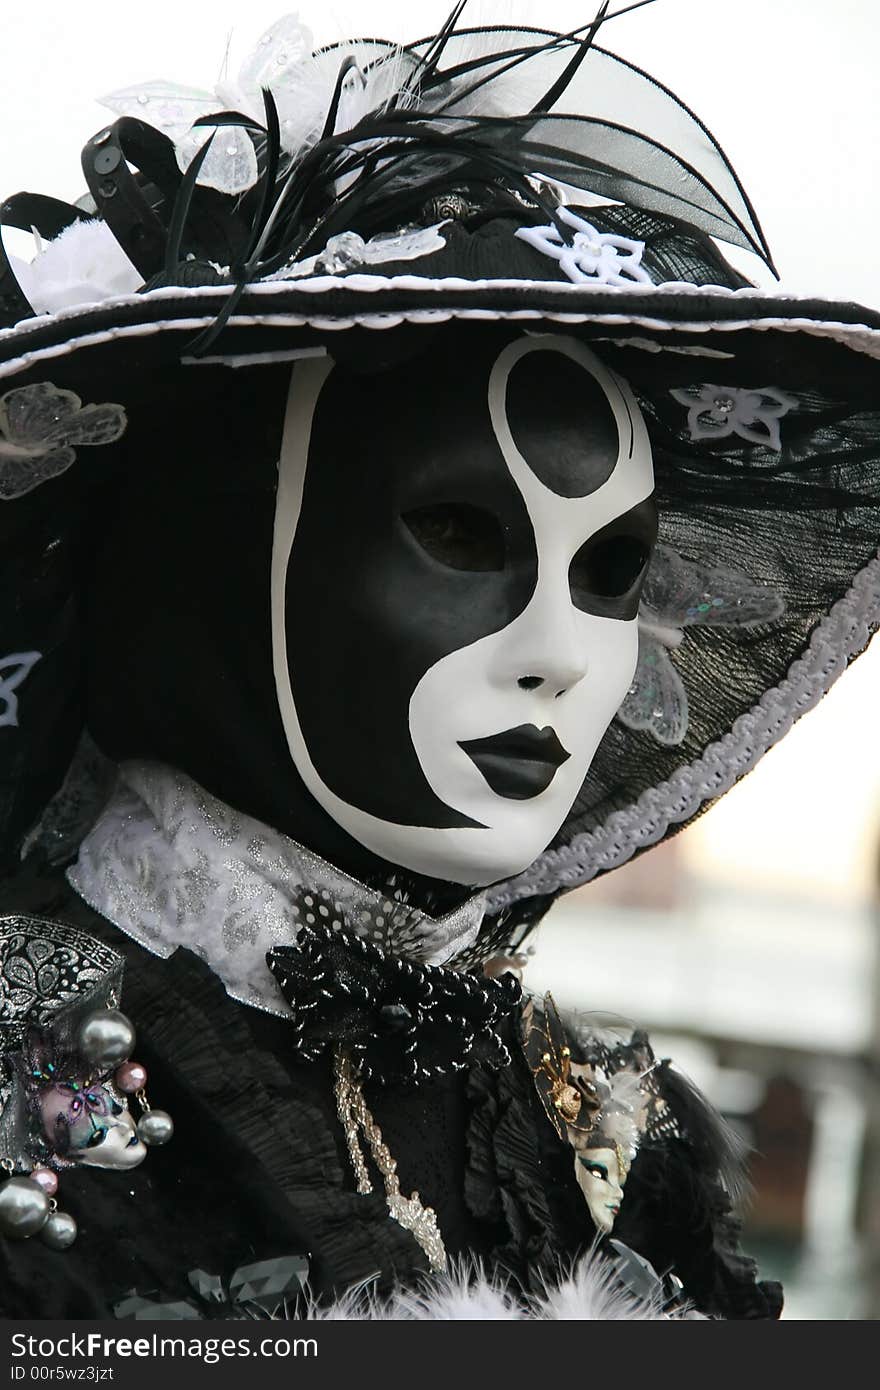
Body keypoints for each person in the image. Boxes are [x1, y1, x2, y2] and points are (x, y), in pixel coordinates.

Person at [1, 6, 878, 1319]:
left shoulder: (610, 1150)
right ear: (216, 552)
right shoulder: (36, 1103)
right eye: (462, 533)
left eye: (609, 571)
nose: (563, 659)